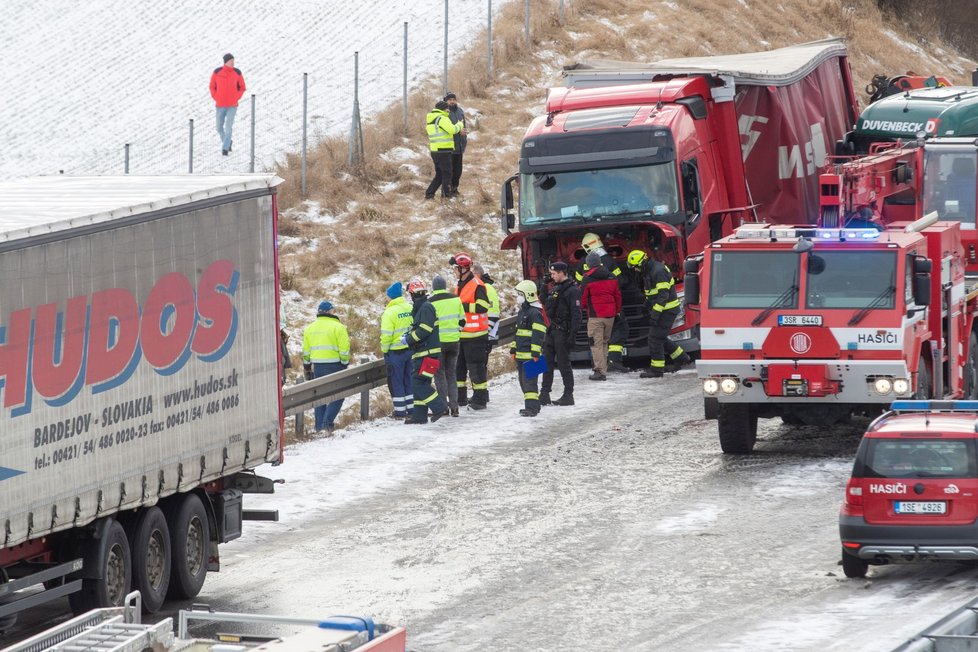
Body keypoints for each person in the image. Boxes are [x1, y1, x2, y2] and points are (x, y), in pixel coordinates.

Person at [626, 249, 691, 378]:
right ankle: (682, 358)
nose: (635, 271)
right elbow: (652, 293)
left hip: (667, 310)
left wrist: (655, 314)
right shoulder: (650, 270)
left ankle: (657, 369)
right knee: (660, 337)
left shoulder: (658, 271)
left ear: (641, 264)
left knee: (654, 339)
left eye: (635, 268)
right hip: (663, 310)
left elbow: (663, 296)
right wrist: (646, 305)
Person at [576, 232, 630, 372]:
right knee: (618, 330)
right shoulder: (609, 261)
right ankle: (613, 361)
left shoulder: (583, 264)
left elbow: (578, 285)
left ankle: (600, 367)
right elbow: (621, 282)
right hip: (610, 307)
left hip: (593, 310)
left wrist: (581, 307)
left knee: (596, 340)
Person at [403, 278, 448, 424]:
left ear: (413, 294)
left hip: (427, 354)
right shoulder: (421, 307)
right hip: (423, 353)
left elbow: (425, 329)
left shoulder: (425, 307)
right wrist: (409, 335)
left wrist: (408, 339)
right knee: (421, 382)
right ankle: (420, 416)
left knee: (418, 383)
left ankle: (439, 406)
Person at [301, 300, 350, 434]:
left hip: (318, 366)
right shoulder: (338, 327)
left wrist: (307, 366)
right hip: (336, 365)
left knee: (320, 396)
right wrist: (344, 362)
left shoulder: (309, 328)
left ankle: (319, 427)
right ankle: (327, 423)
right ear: (330, 311)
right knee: (339, 394)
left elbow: (306, 350)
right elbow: (344, 349)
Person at [452, 252, 491, 409]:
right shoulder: (459, 285)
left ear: (463, 269)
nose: (454, 271)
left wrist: (463, 306)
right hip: (462, 334)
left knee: (476, 368)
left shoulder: (477, 284)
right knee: (459, 369)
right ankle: (460, 398)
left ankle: (480, 400)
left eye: (455, 268)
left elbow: (483, 306)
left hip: (476, 336)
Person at [540, 261, 581, 406]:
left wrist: (573, 335)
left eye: (554, 273)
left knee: (564, 364)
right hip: (552, 331)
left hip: (563, 332)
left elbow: (576, 314)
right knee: (546, 363)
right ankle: (544, 393)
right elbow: (544, 302)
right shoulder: (556, 288)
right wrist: (544, 286)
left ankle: (568, 395)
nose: (552, 276)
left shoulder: (572, 290)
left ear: (562, 272)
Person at [580, 250, 622, 381]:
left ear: (588, 264)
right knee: (604, 342)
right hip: (610, 316)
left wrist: (582, 308)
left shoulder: (587, 278)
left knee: (595, 344)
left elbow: (582, 298)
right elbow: (617, 296)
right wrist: (617, 311)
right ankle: (603, 368)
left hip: (595, 316)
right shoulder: (611, 277)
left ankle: (599, 371)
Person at [510, 280, 547, 417]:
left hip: (532, 356)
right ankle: (534, 406)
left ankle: (531, 409)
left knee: (530, 383)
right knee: (523, 382)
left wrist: (536, 353)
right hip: (521, 354)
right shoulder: (522, 311)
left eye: (520, 294)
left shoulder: (535, 313)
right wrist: (513, 349)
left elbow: (538, 334)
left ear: (528, 295)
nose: (518, 297)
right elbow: (518, 333)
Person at [429, 274, 464, 417]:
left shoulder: (430, 302)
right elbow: (462, 321)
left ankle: (443, 407)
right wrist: (456, 332)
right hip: (454, 342)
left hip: (438, 344)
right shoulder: (456, 299)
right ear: (444, 286)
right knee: (451, 374)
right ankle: (455, 407)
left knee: (439, 375)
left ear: (433, 287)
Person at [380, 281, 414, 419]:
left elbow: (386, 336)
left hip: (395, 352)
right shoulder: (410, 308)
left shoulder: (389, 312)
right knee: (409, 379)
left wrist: (385, 350)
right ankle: (412, 409)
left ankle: (400, 411)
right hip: (410, 349)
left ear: (391, 297)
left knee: (397, 381)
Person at [425, 100, 465, 200]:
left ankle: (429, 194)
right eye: (447, 109)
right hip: (444, 150)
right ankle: (446, 197)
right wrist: (460, 125)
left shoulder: (431, 119)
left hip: (435, 151)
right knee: (448, 173)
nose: (448, 111)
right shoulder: (442, 118)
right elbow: (452, 130)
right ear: (442, 109)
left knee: (439, 175)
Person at [209, 53, 246, 156]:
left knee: (228, 127)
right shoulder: (217, 72)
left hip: (232, 106)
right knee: (219, 127)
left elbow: (242, 87)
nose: (233, 63)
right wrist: (216, 96)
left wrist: (236, 97)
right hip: (220, 105)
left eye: (233, 61)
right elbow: (212, 86)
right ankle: (228, 142)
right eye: (231, 61)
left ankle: (225, 149)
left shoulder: (237, 73)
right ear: (226, 62)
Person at [473, 263, 501, 356]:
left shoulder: (487, 288)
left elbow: (493, 313)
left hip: (485, 336)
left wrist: (484, 333)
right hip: (480, 335)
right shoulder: (479, 288)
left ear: (477, 275)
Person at [444, 91, 467, 197]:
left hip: (459, 146)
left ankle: (454, 189)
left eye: (453, 99)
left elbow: (464, 127)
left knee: (458, 171)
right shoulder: (445, 113)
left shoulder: (460, 111)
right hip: (449, 147)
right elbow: (447, 129)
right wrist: (459, 131)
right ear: (446, 101)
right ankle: (447, 191)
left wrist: (464, 139)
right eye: (450, 100)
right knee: (449, 171)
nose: (452, 101)